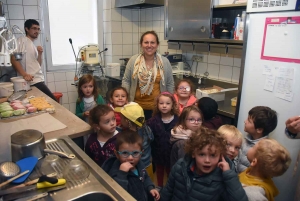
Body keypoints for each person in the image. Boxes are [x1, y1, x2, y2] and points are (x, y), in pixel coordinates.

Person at [160, 127, 248, 201]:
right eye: (202, 154)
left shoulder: (222, 175)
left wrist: (229, 175)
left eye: (213, 155)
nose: (207, 160)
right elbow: (168, 191)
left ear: (220, 156)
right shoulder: (180, 166)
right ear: (193, 153)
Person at [122, 31, 174, 120]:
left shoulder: (164, 62)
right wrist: (125, 99)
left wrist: (170, 103)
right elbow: (126, 81)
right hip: (135, 108)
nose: (149, 45)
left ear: (157, 44)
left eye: (152, 42)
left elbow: (170, 84)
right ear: (141, 44)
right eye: (146, 42)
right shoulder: (133, 60)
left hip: (158, 109)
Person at [102, 130, 160, 201]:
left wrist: (150, 188)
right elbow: (117, 193)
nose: (130, 158)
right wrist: (122, 174)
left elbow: (145, 177)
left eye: (135, 153)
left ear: (141, 153)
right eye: (125, 153)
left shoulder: (140, 164)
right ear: (117, 154)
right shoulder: (115, 171)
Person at [11, 19, 56, 101]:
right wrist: (24, 74)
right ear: (27, 29)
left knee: (45, 104)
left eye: (38, 29)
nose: (37, 31)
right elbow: (14, 59)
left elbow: (38, 64)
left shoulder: (32, 45)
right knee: (53, 102)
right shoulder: (22, 40)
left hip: (37, 80)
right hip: (33, 82)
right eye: (34, 28)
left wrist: (39, 54)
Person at [147, 92, 179, 187]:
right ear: (157, 105)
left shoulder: (178, 120)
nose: (164, 106)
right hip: (158, 153)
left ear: (173, 105)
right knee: (159, 171)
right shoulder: (152, 121)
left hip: (171, 153)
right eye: (161, 103)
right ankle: (159, 187)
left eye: (168, 103)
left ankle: (170, 188)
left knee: (171, 171)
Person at [115, 102, 154, 180]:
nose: (120, 119)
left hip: (135, 168)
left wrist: (118, 129)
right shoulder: (147, 129)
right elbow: (152, 139)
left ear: (127, 121)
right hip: (148, 165)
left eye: (121, 117)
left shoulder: (126, 136)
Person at [237, 106, 277, 173]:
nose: (245, 121)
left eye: (249, 121)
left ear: (259, 130)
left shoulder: (262, 151)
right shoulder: (246, 139)